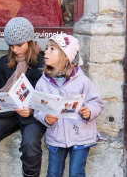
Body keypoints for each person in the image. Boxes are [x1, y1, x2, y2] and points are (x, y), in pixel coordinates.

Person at [0, 17, 46, 177]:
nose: (15, 49)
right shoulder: (4, 62)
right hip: (8, 112)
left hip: (33, 115)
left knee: (30, 144)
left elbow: (46, 96)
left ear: (29, 41)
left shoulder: (42, 61)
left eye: (19, 45)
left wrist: (30, 110)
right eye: (11, 45)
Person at [33, 34, 104, 177]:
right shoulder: (42, 82)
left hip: (81, 135)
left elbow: (96, 102)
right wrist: (45, 118)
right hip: (56, 136)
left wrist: (89, 111)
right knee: (53, 173)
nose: (46, 52)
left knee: (76, 173)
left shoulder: (82, 80)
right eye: (47, 48)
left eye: (52, 49)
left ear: (66, 56)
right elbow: (37, 109)